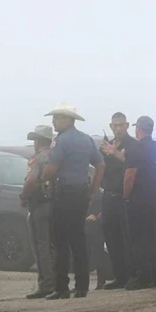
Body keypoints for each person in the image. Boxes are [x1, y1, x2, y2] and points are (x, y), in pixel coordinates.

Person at [40, 103, 105, 299]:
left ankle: (61, 288)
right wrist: (92, 191)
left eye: (57, 118)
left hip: (62, 195)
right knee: (78, 240)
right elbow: (101, 165)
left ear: (68, 120)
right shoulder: (86, 139)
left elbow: (50, 169)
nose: (53, 122)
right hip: (81, 194)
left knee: (60, 241)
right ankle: (82, 286)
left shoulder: (60, 141)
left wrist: (43, 179)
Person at [123, 115, 156, 290]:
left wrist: (126, 196)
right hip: (155, 194)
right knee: (152, 236)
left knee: (138, 238)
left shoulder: (137, 147)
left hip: (139, 197)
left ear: (138, 129)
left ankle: (142, 277)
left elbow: (130, 175)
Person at [98, 112, 138, 289]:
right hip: (109, 196)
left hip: (125, 197)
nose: (119, 128)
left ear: (127, 126)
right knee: (111, 238)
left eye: (121, 125)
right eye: (115, 125)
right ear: (111, 126)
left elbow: (133, 166)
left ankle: (132, 275)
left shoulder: (133, 145)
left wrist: (115, 153)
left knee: (127, 238)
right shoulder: (108, 145)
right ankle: (119, 276)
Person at [19, 125, 56, 299]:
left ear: (37, 141)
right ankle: (58, 281)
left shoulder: (37, 158)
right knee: (54, 245)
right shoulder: (56, 156)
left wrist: (23, 197)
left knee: (40, 245)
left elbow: (31, 180)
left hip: (39, 206)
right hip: (56, 205)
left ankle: (46, 284)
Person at [85, 187, 114, 290]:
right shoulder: (86, 192)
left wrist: (96, 217)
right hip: (85, 225)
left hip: (97, 226)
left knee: (98, 253)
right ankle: (83, 283)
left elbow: (106, 209)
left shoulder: (100, 194)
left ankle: (101, 281)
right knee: (84, 255)